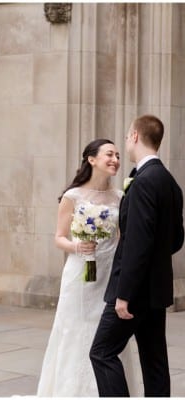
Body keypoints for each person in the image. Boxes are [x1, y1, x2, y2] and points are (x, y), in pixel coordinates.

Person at [37, 139, 140, 396]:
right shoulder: (72, 196)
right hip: (80, 273)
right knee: (75, 330)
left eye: (117, 155)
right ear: (91, 159)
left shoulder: (120, 196)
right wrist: (77, 247)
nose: (115, 159)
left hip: (109, 273)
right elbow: (59, 237)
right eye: (109, 154)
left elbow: (120, 236)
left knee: (106, 334)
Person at [90, 115, 184, 397]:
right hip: (156, 290)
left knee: (102, 353)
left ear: (134, 137)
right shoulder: (169, 181)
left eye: (127, 136)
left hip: (135, 291)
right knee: (154, 361)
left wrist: (125, 293)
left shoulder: (143, 182)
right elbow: (177, 238)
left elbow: (138, 243)